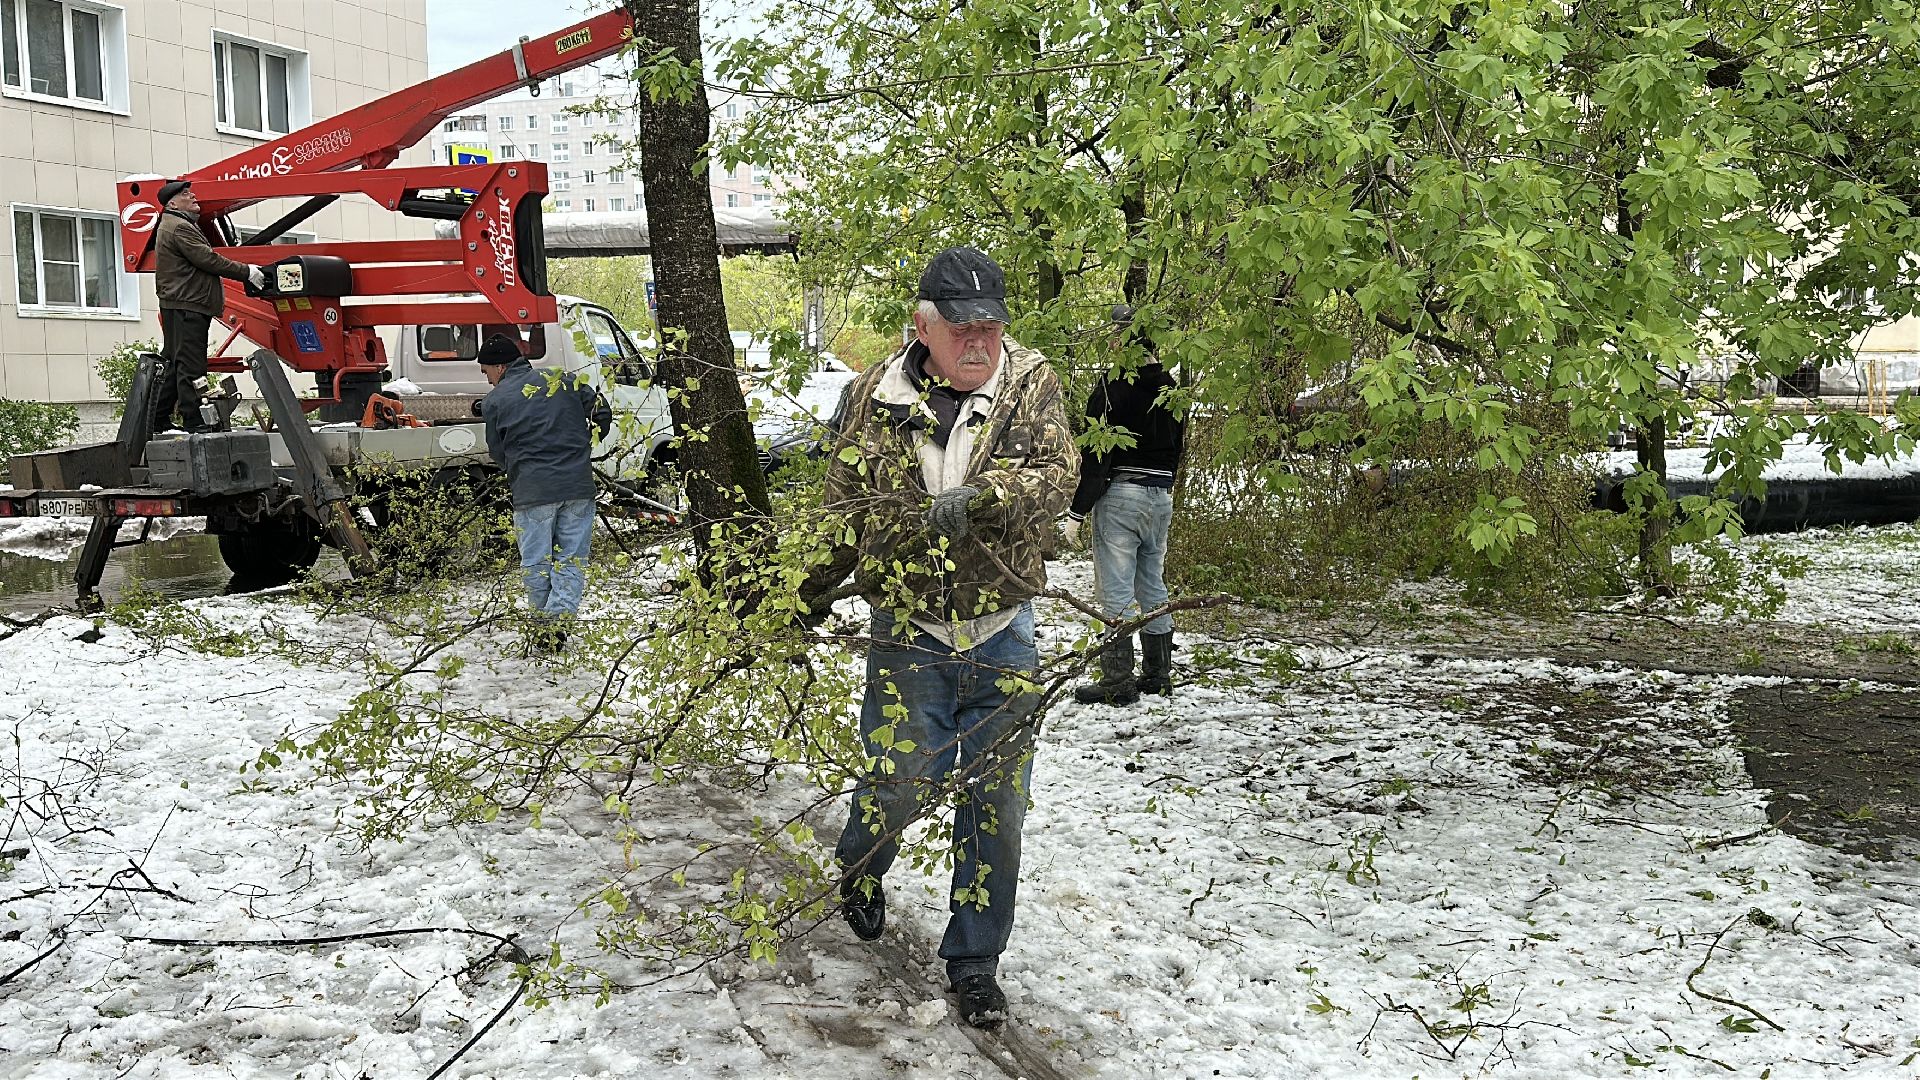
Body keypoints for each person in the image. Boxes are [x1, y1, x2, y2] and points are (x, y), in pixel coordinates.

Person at [800, 247, 1077, 1028]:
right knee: (900, 780)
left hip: (1003, 628)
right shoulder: (872, 396)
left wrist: (988, 495)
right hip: (909, 628)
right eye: (962, 329)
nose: (980, 342)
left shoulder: (1029, 381)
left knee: (998, 803)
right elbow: (842, 510)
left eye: (990, 326)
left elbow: (1060, 475)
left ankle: (975, 960)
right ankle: (861, 866)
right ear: (922, 328)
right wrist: (802, 597)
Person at [1065, 304, 1187, 706]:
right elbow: (1177, 449)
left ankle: (1117, 682)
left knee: (1115, 590)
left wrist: (1078, 510)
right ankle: (1158, 675)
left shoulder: (1112, 386)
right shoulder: (1170, 387)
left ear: (1121, 340)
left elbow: (1097, 454)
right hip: (1161, 496)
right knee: (1152, 583)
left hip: (1122, 494)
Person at [478, 334, 612, 643]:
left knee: (536, 564)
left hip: (532, 493)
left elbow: (497, 452)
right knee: (571, 560)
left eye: (486, 372)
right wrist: (583, 445)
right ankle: (556, 626)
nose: (487, 380)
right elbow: (601, 412)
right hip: (577, 487)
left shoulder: (495, 401)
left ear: (500, 367)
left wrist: (518, 469)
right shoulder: (562, 379)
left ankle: (545, 630)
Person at [150, 180, 265, 433]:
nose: (192, 196)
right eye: (185, 194)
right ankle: (194, 420)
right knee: (191, 364)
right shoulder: (180, 227)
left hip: (179, 303)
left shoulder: (173, 224)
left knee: (176, 360)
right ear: (172, 204)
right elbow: (208, 259)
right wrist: (246, 272)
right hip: (188, 305)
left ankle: (158, 418)